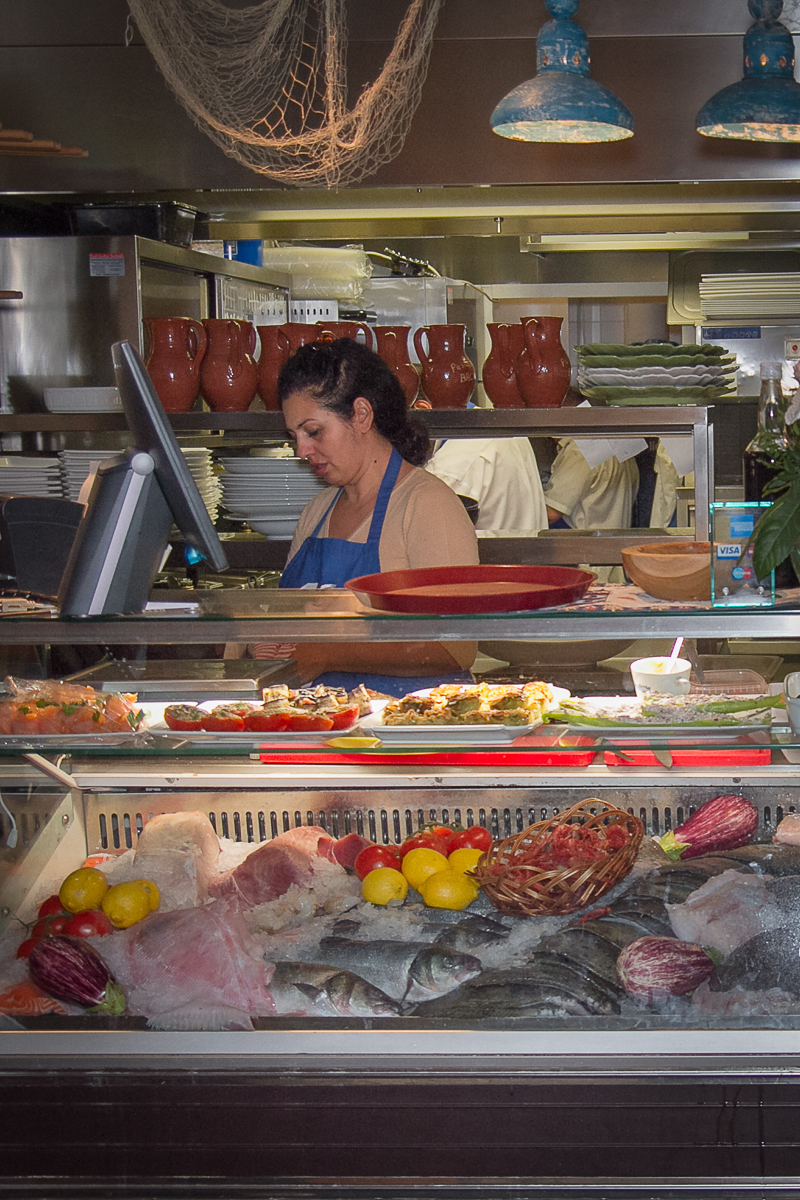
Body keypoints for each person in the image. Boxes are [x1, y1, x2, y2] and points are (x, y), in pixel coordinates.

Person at [276, 338, 480, 695]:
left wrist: (327, 655)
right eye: (294, 436)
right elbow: (290, 624)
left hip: (409, 731)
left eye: (314, 431)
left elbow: (455, 648)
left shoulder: (427, 505)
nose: (302, 450)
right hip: (325, 728)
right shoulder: (316, 512)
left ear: (362, 415)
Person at [426, 437, 548, 532]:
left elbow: (430, 540)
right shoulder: (500, 427)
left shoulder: (453, 466)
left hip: (485, 559)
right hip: (524, 555)